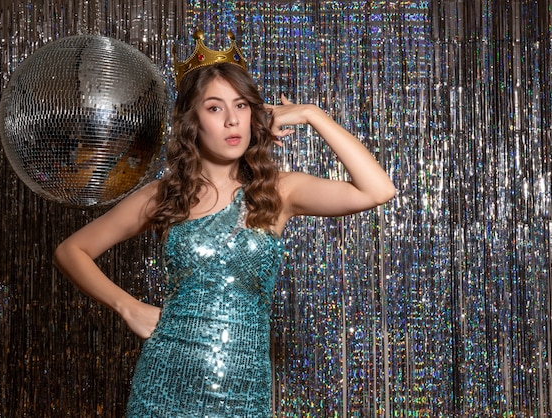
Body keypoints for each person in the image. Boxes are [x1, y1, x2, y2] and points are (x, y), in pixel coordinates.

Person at [54, 29, 396, 417]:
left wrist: (312, 115)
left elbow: (377, 190)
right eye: (215, 108)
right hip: (165, 382)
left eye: (242, 106)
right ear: (192, 121)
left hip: (243, 388)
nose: (233, 120)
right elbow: (71, 250)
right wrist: (128, 306)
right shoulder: (166, 194)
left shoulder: (279, 191)